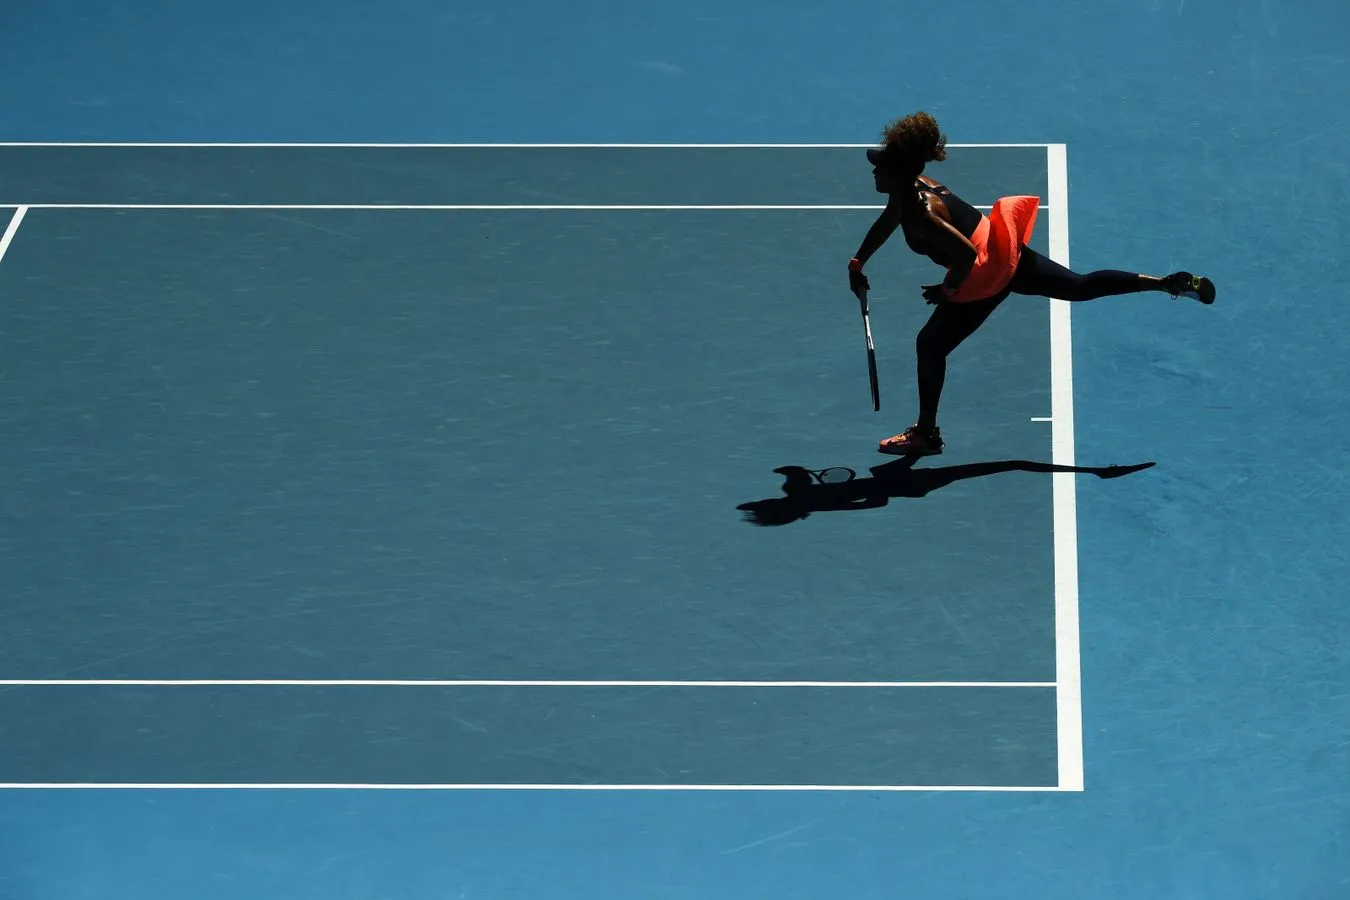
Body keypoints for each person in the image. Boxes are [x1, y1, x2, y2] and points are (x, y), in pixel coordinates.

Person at [847, 111, 1215, 457]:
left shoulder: (925, 215)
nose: (873, 172)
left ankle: (926, 434)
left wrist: (947, 291)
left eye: (879, 167)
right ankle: (1167, 283)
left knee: (929, 345)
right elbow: (888, 220)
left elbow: (964, 257)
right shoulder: (912, 190)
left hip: (986, 273)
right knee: (1078, 286)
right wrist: (859, 260)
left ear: (898, 172)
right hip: (1006, 250)